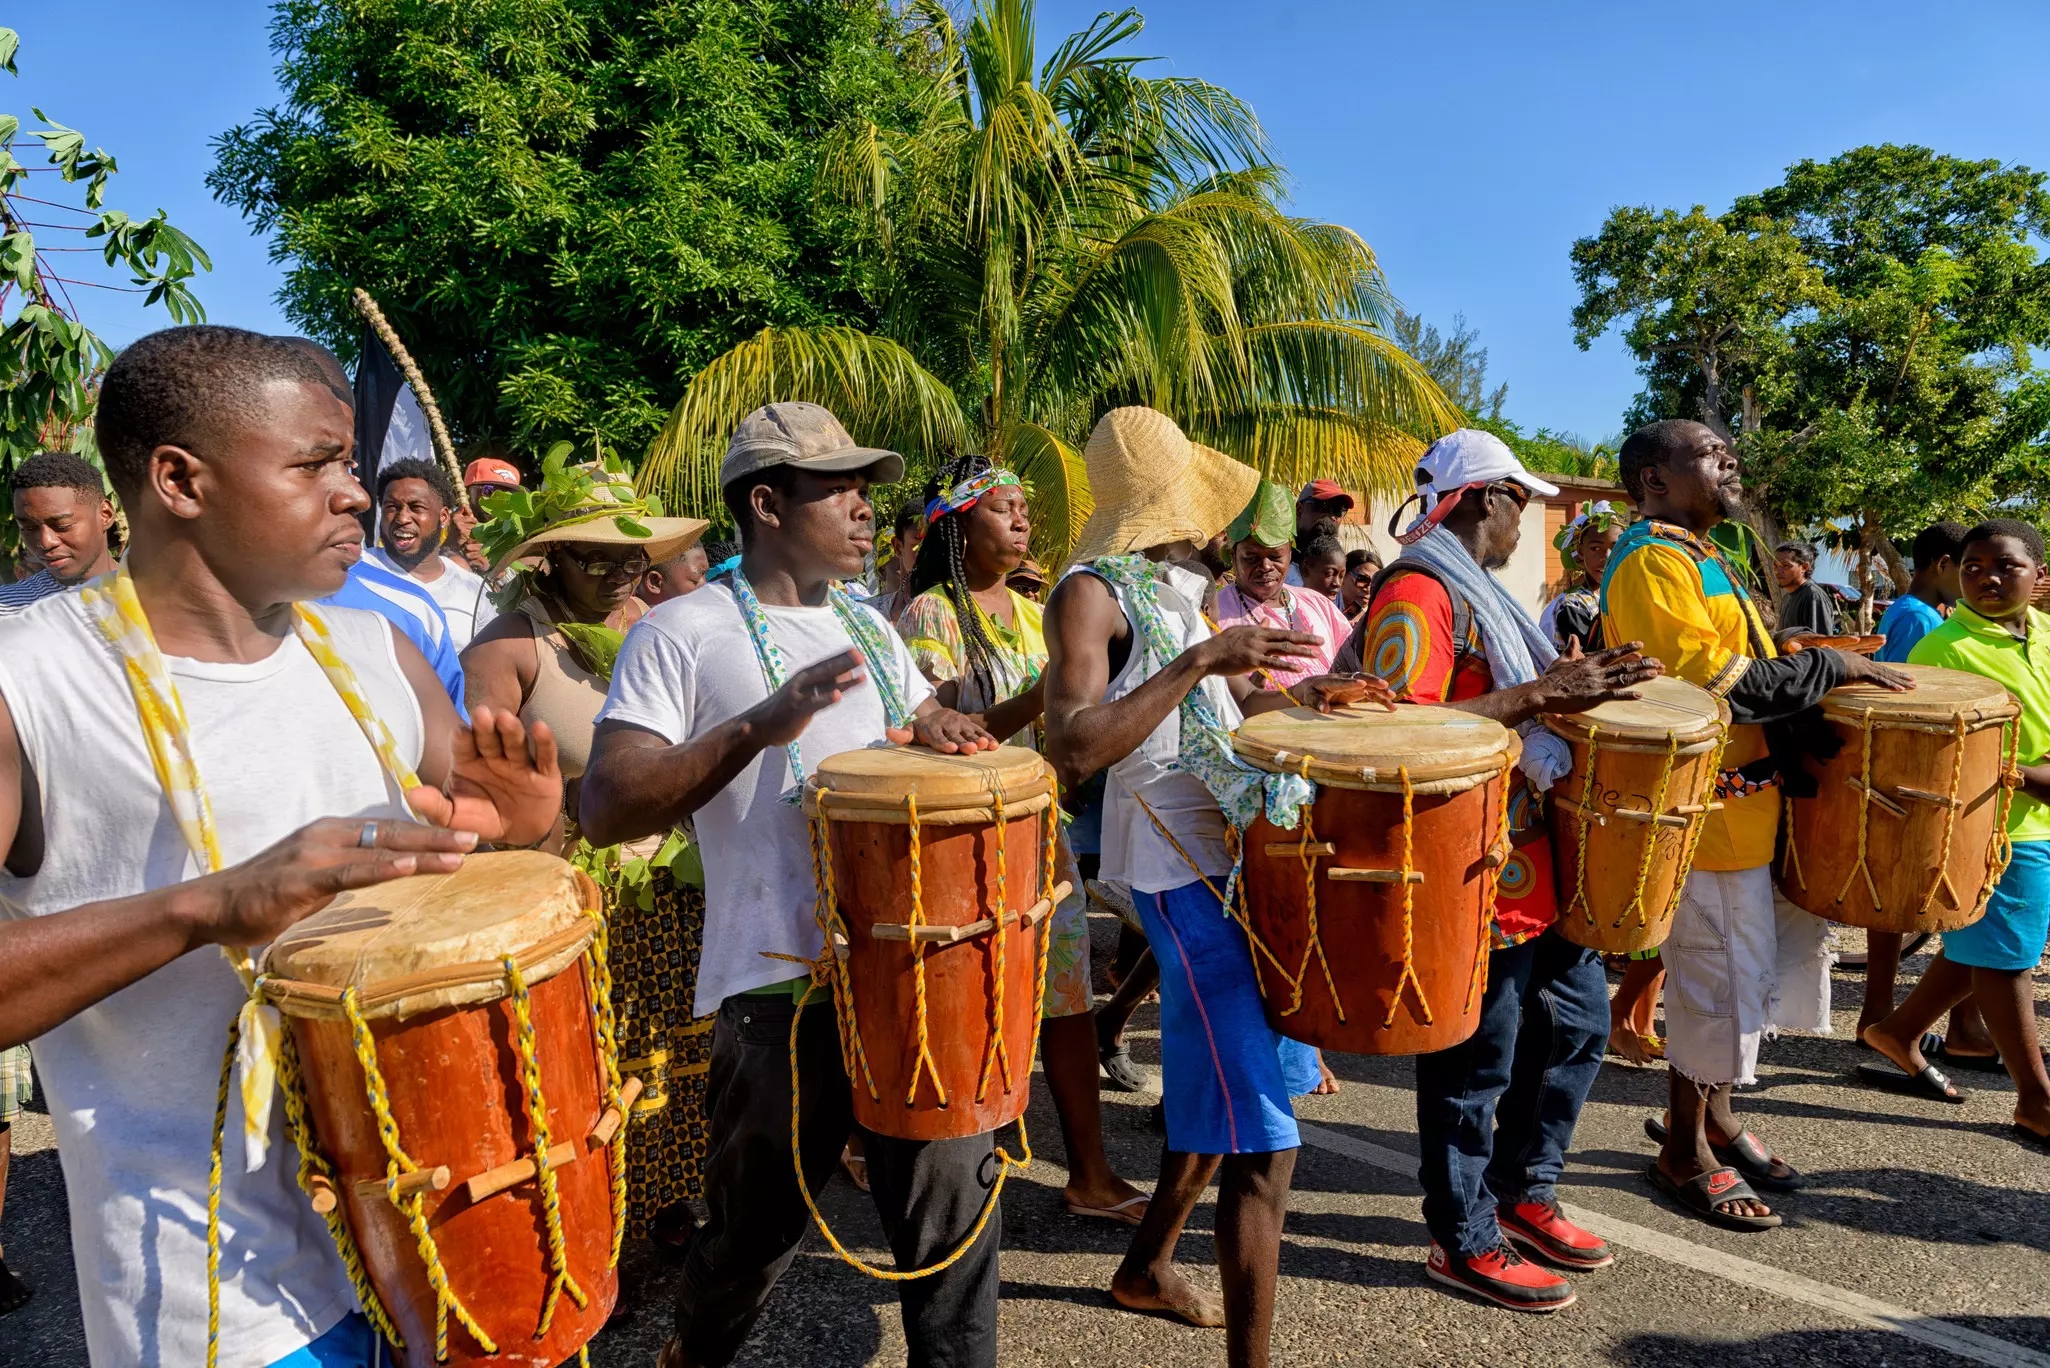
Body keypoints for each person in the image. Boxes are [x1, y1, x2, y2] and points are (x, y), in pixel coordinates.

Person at [0, 324, 560, 1368]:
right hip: (220, 1307)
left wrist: (523, 832)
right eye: (313, 464)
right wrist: (206, 907)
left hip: (430, 1241)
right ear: (179, 480)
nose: (354, 493)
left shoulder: (373, 649)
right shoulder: (29, 681)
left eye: (349, 464)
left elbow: (473, 880)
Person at [577, 401, 998, 1368]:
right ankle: (696, 1350)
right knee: (754, 1236)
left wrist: (931, 725)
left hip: (910, 978)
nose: (864, 510)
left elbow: (906, 733)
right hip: (777, 989)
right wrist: (756, 727)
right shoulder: (681, 632)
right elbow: (606, 807)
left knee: (955, 1231)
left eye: (866, 490)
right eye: (840, 488)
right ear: (765, 503)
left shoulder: (871, 627)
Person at [1042, 406, 1392, 1368]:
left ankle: (1144, 1267)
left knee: (1222, 1107)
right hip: (1167, 871)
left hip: (1226, 862)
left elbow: (1225, 704)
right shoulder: (1089, 593)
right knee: (1264, 1149)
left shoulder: (1174, 588)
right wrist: (1205, 656)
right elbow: (1071, 745)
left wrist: (1312, 694)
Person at [1346, 429, 1659, 1312]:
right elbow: (1401, 732)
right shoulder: (1418, 587)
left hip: (1529, 853)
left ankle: (1526, 1195)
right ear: (1490, 498)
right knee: (1477, 1059)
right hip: (1469, 863)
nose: (1532, 520)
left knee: (1575, 1026)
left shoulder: (1477, 587)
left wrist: (1576, 683)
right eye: (1525, 501)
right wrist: (1544, 695)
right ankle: (1462, 1235)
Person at [1601, 419, 1910, 1232]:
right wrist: (1829, 665)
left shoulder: (1707, 555)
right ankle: (1681, 1153)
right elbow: (1721, 685)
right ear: (1654, 481)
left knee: (1749, 973)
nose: (1728, 460)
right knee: (1713, 982)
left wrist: (1810, 666)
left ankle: (1714, 1118)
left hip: (1751, 804)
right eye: (1707, 453)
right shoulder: (1651, 563)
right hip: (1703, 814)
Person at [462, 460, 713, 1254]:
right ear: (550, 557)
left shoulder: (650, 622)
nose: (615, 576)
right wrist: (563, 814)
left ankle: (666, 1206)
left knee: (676, 1058)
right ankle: (599, 1235)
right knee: (595, 1072)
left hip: (670, 884)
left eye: (630, 559)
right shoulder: (508, 648)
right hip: (570, 898)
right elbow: (483, 787)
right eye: (592, 558)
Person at [894, 453, 1150, 1226]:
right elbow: (930, 732)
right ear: (959, 524)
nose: (1021, 519)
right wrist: (1040, 698)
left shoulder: (1041, 609)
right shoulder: (931, 616)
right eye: (1003, 507)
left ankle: (1090, 1173)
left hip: (1040, 830)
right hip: (962, 837)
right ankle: (955, 1149)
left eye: (1024, 509)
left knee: (1067, 1002)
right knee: (974, 999)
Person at [1859, 519, 2050, 1151]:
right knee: (2009, 958)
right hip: (1991, 826)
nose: (1987, 579)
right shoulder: (1943, 648)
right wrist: (2023, 775)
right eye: (1973, 568)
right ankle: (2036, 1100)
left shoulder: (2046, 634)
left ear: (2037, 574)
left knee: (1991, 943)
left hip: (2041, 815)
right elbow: (1933, 751)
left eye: (2005, 567)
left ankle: (1898, 1031)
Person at [1861, 521, 1986, 1049]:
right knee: (1896, 897)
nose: (1976, 582)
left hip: (1912, 771)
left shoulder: (1922, 615)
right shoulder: (1918, 622)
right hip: (1914, 771)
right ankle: (1880, 1013)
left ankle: (1926, 1018)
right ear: (1942, 565)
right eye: (1970, 569)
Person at [1212, 480, 1352, 692]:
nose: (1266, 566)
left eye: (1276, 556)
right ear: (1233, 556)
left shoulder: (1318, 604)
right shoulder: (1216, 615)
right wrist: (1247, 695)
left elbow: (1350, 661)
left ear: (1290, 554)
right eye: (1251, 558)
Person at [371, 457, 494, 649]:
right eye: (391, 507)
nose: (402, 517)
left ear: (444, 516)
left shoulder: (475, 591)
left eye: (416, 507)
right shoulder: (351, 571)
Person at [0, 450, 118, 612]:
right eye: (28, 528)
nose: (45, 542)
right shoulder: (8, 609)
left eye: (62, 526)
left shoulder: (157, 596)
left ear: (105, 515)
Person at [1539, 501, 1622, 654]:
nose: (1607, 557)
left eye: (1615, 547)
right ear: (1580, 552)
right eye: (1595, 548)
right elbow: (1593, 659)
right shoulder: (1573, 604)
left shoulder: (1612, 596)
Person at [454, 456, 523, 577]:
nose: (500, 501)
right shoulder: (445, 527)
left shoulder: (519, 536)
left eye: (510, 495)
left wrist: (496, 569)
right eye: (489, 491)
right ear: (468, 492)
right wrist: (450, 545)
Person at [1283, 479, 1352, 586]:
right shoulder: (1275, 560)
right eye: (1323, 507)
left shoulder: (1343, 576)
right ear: (1299, 510)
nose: (1332, 516)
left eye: (1338, 509)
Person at [1773, 541, 1840, 637]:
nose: (1778, 571)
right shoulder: (1787, 598)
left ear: (1804, 567)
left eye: (1785, 566)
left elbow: (1819, 643)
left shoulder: (1813, 597)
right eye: (1775, 566)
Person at [640, 543, 711, 606]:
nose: (706, 586)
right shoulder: (633, 618)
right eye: (695, 580)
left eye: (705, 575)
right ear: (654, 582)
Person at [1296, 533, 1347, 602]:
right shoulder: (1292, 608)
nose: (1337, 583)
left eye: (1341, 576)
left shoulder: (1335, 611)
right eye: (1329, 574)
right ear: (1305, 569)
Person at [1339, 548, 1380, 623]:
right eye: (1362, 579)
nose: (1368, 589)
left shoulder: (1372, 619)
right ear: (1342, 576)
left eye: (1376, 582)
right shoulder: (1323, 606)